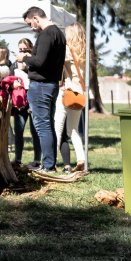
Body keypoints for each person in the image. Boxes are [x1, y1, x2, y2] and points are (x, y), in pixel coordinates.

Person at [16, 6, 66, 173]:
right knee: (48, 125)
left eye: (30, 23)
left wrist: (24, 57)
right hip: (51, 84)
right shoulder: (58, 33)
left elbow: (39, 62)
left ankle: (48, 165)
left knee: (43, 126)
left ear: (36, 18)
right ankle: (50, 164)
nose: (31, 27)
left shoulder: (46, 34)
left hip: (41, 86)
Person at [54, 22, 88, 173]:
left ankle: (51, 161)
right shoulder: (86, 52)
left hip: (66, 91)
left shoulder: (67, 50)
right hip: (80, 93)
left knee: (57, 126)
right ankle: (81, 158)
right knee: (73, 129)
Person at [10, 38, 38, 166]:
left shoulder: (35, 62)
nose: (23, 52)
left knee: (35, 130)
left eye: (26, 49)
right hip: (19, 99)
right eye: (20, 50)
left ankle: (37, 160)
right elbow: (8, 79)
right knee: (19, 130)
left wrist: (26, 68)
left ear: (31, 49)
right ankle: (18, 159)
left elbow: (39, 76)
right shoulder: (15, 64)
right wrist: (12, 84)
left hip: (33, 97)